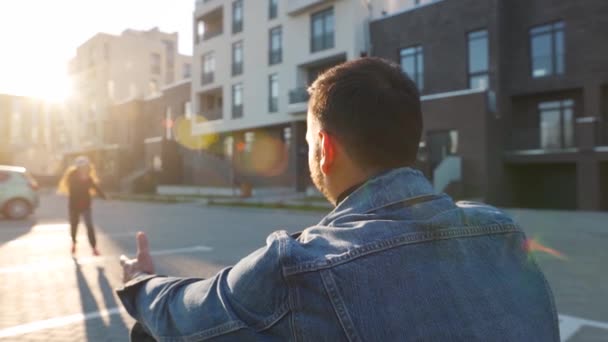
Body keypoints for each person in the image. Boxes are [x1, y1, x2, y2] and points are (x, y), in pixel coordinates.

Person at [117, 58, 559, 341]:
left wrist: (140, 284)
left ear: (324, 149)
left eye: (309, 141)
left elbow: (186, 315)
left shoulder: (299, 265)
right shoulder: (502, 232)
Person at [57, 156, 106, 256]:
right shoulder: (72, 176)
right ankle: (74, 243)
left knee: (89, 226)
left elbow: (95, 188)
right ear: (77, 168)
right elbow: (75, 190)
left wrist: (104, 197)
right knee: (74, 225)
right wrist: (83, 181)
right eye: (82, 167)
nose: (84, 169)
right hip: (74, 206)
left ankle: (94, 248)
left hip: (86, 206)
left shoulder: (88, 177)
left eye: (86, 167)